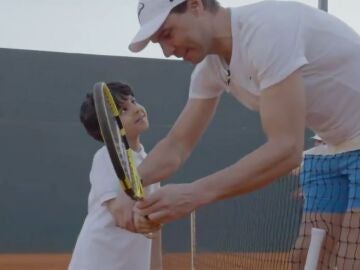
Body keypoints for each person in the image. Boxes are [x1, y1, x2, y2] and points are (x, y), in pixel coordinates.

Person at [117, 0, 360, 268]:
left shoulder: (268, 29)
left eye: (167, 34)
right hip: (331, 148)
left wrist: (194, 194)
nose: (167, 51)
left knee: (352, 260)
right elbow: (176, 146)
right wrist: (127, 190)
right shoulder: (209, 70)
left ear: (196, 6)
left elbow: (287, 149)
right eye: (159, 43)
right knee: (307, 262)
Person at [68, 82, 162, 270]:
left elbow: (155, 232)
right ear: (107, 128)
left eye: (133, 101)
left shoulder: (149, 162)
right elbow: (120, 212)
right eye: (124, 110)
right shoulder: (106, 157)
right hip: (97, 262)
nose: (136, 109)